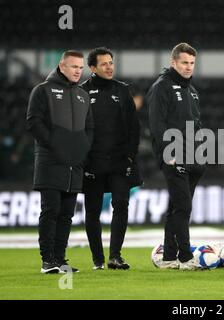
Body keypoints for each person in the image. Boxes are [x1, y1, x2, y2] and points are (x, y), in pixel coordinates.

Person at [26, 50, 93, 274]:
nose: (78, 71)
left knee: (66, 214)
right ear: (61, 66)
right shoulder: (42, 90)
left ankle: (59, 259)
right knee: (51, 210)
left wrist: (82, 149)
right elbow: (34, 122)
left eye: (80, 67)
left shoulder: (83, 95)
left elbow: (89, 128)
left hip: (74, 164)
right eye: (73, 66)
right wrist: (56, 145)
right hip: (51, 162)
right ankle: (47, 261)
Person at [80, 47, 140, 270]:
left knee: (121, 205)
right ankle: (98, 260)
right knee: (93, 211)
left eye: (111, 63)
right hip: (93, 162)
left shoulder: (123, 91)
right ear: (93, 68)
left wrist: (130, 157)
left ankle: (115, 256)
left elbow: (134, 127)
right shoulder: (82, 92)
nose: (109, 67)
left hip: (119, 161)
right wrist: (83, 159)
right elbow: (77, 130)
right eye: (104, 64)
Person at [147, 43, 205, 270]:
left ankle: (169, 256)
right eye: (184, 62)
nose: (189, 67)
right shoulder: (162, 87)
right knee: (183, 207)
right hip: (175, 156)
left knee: (177, 208)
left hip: (194, 157)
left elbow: (197, 124)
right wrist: (167, 152)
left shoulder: (192, 90)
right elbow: (156, 123)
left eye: (192, 63)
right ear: (173, 62)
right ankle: (185, 257)